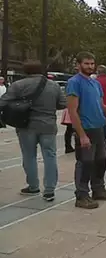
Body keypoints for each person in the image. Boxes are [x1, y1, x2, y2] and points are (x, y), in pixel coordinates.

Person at [0, 61, 66, 201]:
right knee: (50, 156)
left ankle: (33, 186)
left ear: (25, 71)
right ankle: (49, 190)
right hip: (48, 125)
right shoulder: (53, 85)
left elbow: (3, 102)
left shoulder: (18, 85)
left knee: (29, 156)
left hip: (25, 125)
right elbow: (62, 104)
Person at [66, 52, 106, 209]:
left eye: (92, 63)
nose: (90, 66)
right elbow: (72, 111)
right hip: (86, 128)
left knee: (100, 161)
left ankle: (98, 189)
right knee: (85, 163)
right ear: (78, 65)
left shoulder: (95, 83)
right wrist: (82, 135)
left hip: (99, 127)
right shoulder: (74, 83)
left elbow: (99, 104)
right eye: (86, 63)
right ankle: (82, 195)